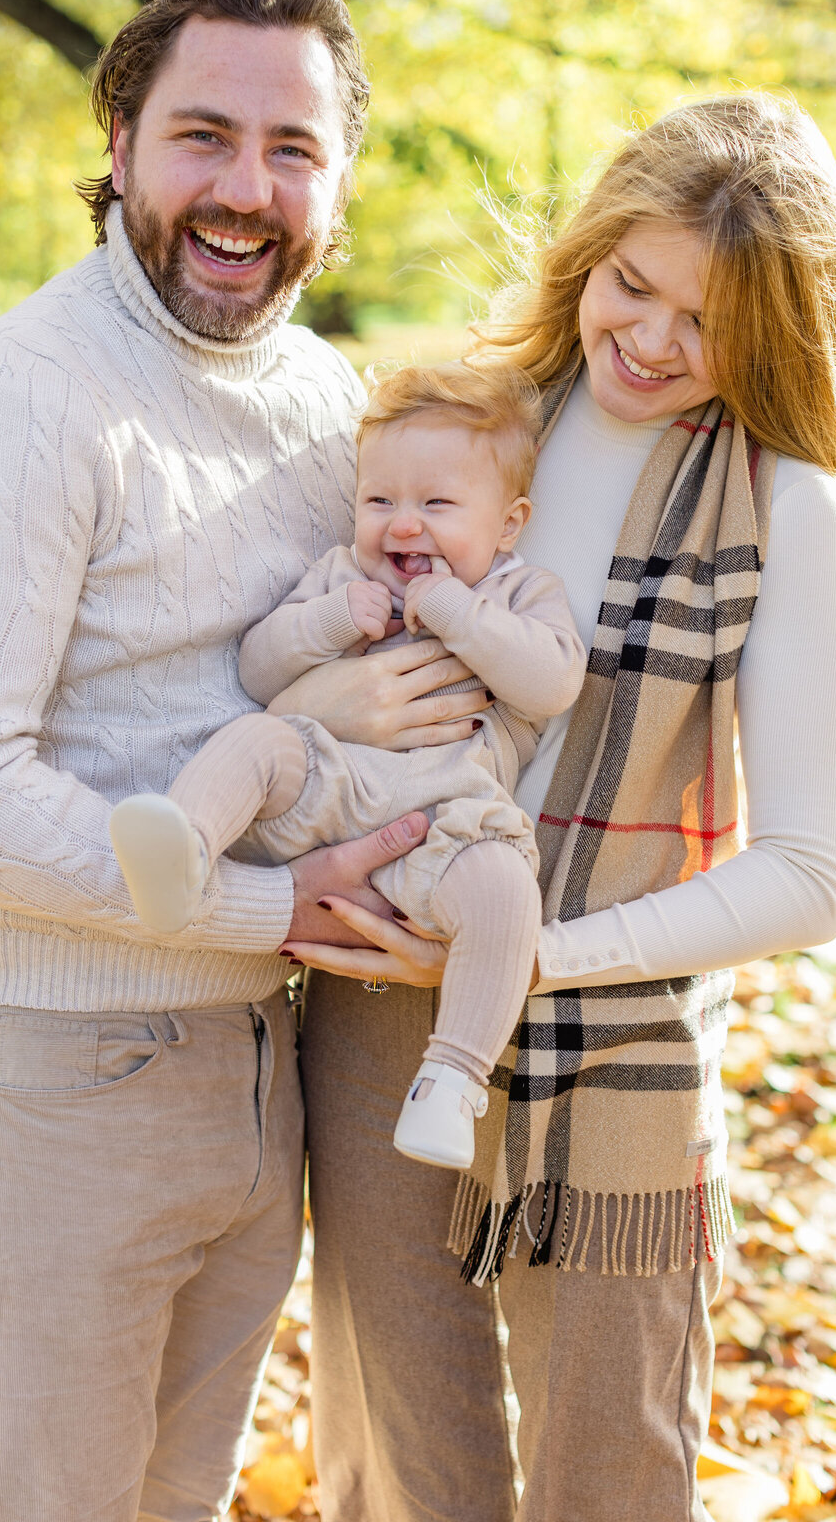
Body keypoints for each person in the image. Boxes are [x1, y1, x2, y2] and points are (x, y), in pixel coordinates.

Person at [0, 0, 479, 1522]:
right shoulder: (18, 401)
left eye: (292, 150)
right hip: (60, 1074)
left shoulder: (332, 405)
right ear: (121, 138)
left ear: (339, 182)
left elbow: (318, 679)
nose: (244, 189)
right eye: (202, 136)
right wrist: (275, 904)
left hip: (260, 1065)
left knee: (178, 1503)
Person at [282, 93, 836, 1520]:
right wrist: (331, 713)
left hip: (617, 1059)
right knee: (404, 1473)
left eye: (711, 318)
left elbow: (811, 876)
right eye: (633, 284)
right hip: (376, 1014)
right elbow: (300, 665)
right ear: (585, 254)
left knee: (613, 1476)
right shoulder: (463, 431)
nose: (656, 341)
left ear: (780, 331)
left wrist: (529, 959)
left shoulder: (782, 508)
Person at [109, 360, 585, 1168]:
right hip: (326, 777)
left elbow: (553, 681)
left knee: (507, 893)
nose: (403, 526)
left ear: (508, 524)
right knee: (257, 741)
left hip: (451, 823)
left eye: (436, 505)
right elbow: (259, 673)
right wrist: (327, 621)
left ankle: (450, 1081)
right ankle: (185, 851)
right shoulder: (341, 575)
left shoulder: (517, 593)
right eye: (379, 501)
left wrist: (457, 613)